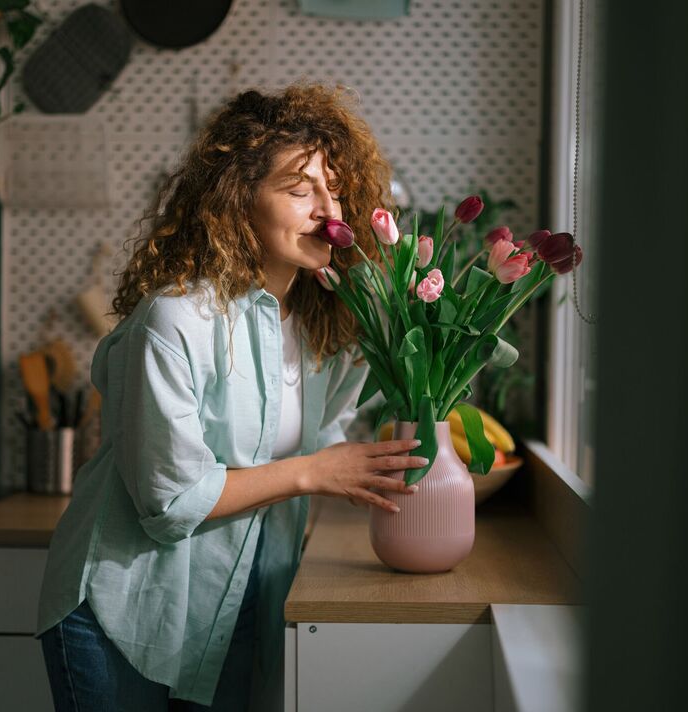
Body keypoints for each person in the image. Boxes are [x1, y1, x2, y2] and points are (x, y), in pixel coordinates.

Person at [35, 83, 426, 711]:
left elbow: (329, 444)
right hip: (125, 612)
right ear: (239, 202)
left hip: (238, 602)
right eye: (300, 192)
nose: (330, 210)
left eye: (336, 190)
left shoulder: (328, 324)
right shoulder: (174, 321)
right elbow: (171, 501)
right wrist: (314, 473)